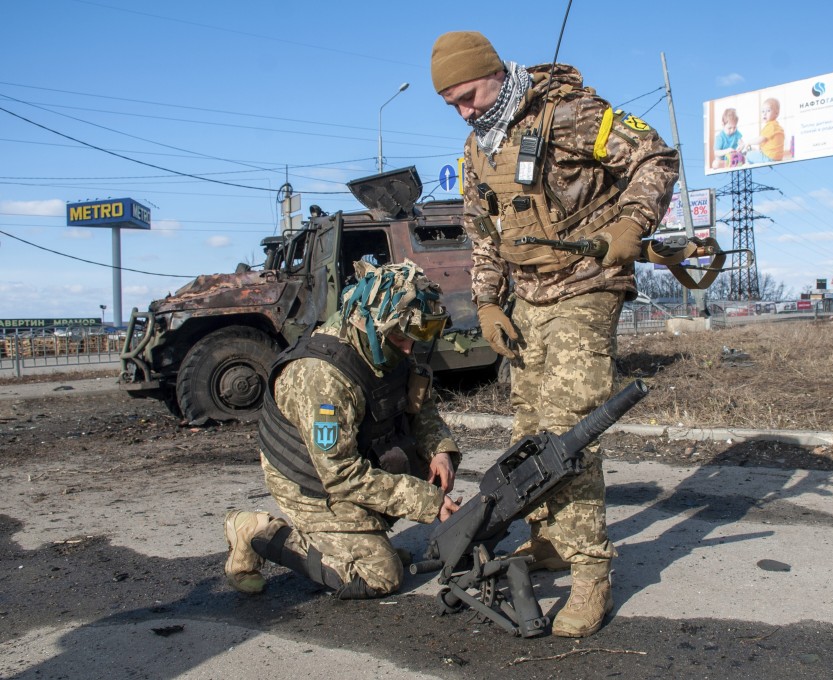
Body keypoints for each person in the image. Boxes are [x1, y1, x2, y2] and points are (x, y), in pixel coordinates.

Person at [431, 31, 678, 637]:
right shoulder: (475, 150)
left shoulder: (569, 112)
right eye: (452, 105)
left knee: (569, 431)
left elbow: (655, 158)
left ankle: (592, 573)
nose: (465, 111)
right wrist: (488, 302)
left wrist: (631, 222)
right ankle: (547, 541)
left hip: (589, 281)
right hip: (529, 296)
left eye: (468, 95)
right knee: (530, 429)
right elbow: (481, 232)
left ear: (494, 73)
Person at [223, 259, 461, 599]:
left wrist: (441, 450)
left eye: (418, 335)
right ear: (370, 326)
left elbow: (420, 408)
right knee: (380, 575)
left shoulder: (392, 342)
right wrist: (426, 501)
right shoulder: (323, 378)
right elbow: (340, 475)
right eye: (399, 337)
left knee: (427, 466)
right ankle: (256, 532)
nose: (410, 347)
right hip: (308, 477)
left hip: (351, 460)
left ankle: (361, 540)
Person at [740, 97, 785, 163]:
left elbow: (760, 140)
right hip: (778, 157)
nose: (764, 113)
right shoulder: (777, 126)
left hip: (769, 157)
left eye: (768, 111)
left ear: (776, 113)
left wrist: (748, 142)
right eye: (763, 111)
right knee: (754, 151)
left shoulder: (770, 126)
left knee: (748, 155)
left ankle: (743, 161)